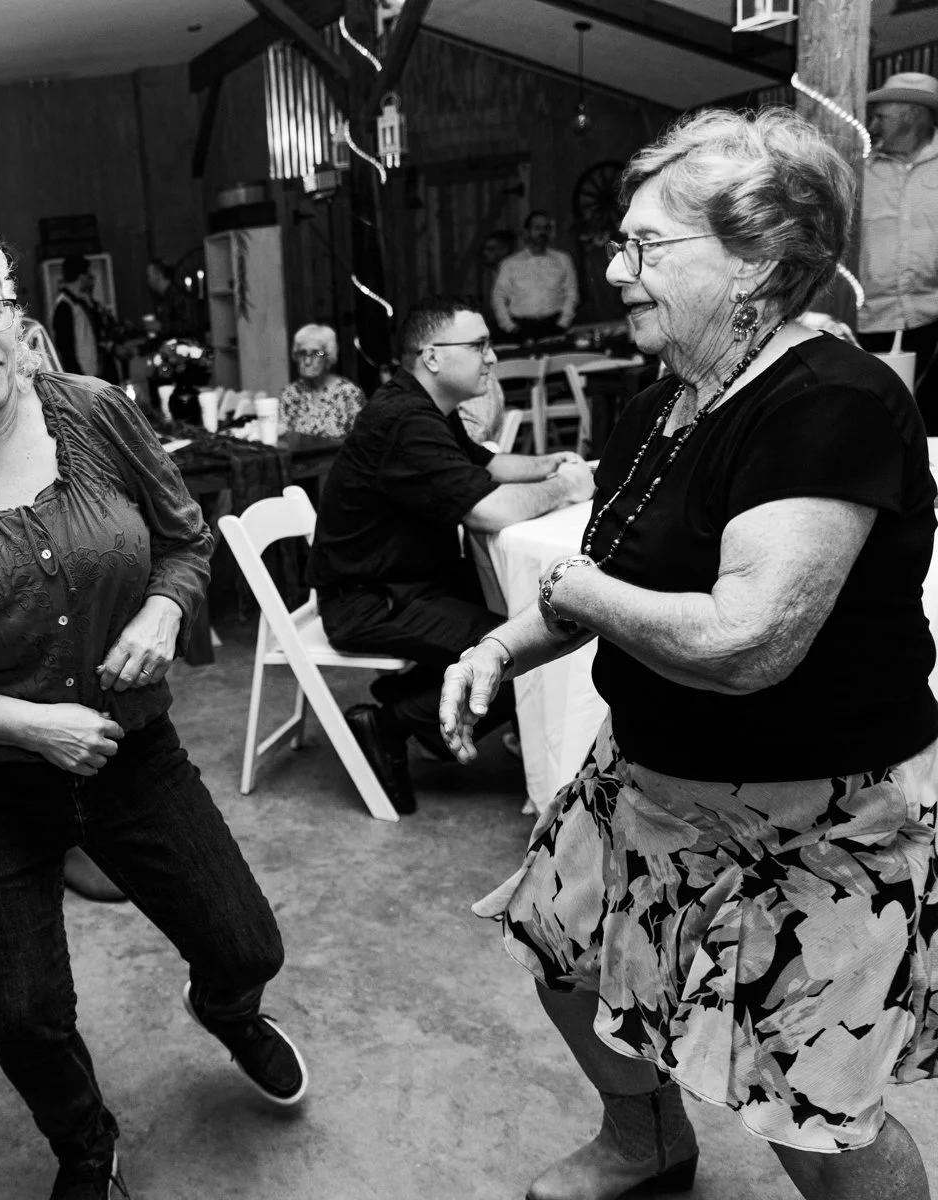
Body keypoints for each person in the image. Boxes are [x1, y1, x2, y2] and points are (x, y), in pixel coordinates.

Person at [446, 108, 938, 1200]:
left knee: (812, 1117)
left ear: (759, 259)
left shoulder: (833, 403)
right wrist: (504, 642)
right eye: (619, 243)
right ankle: (646, 1141)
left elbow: (744, 640)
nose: (615, 269)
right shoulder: (666, 401)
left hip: (806, 821)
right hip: (643, 784)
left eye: (646, 245)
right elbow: (613, 578)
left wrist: (572, 589)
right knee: (564, 967)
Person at [0, 215, 306, 1200]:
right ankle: (85, 1146)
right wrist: (27, 725)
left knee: (248, 945)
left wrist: (159, 608)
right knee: (24, 1012)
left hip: (134, 748)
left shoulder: (96, 413)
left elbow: (187, 541)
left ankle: (225, 1010)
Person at [308, 296, 595, 813]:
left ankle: (412, 703)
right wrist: (566, 490)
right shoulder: (404, 420)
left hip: (408, 584)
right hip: (370, 600)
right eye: (480, 344)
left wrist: (553, 462)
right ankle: (389, 722)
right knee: (520, 653)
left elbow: (487, 464)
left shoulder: (424, 408)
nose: (491, 357)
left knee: (513, 625)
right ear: (433, 356)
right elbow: (489, 510)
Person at [858, 71, 938, 430]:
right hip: (868, 320)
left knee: (928, 419)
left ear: (912, 114)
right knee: (874, 420)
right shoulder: (859, 169)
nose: (872, 125)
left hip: (931, 319)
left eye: (882, 117)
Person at [492, 211, 579, 342]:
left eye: (546, 228)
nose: (542, 232)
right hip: (521, 328)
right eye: (537, 228)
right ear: (526, 232)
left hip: (554, 326)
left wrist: (563, 323)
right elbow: (498, 297)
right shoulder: (509, 264)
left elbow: (572, 293)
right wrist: (509, 327)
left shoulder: (563, 259)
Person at [280, 323, 366, 440]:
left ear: (328, 358)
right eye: (302, 353)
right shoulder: (290, 394)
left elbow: (363, 442)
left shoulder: (349, 393)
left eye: (317, 353)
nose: (308, 360)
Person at [51, 254, 105, 379]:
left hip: (90, 377)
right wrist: (80, 380)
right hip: (81, 378)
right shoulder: (64, 306)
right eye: (88, 275)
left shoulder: (80, 303)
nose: (90, 279)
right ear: (82, 277)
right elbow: (66, 351)